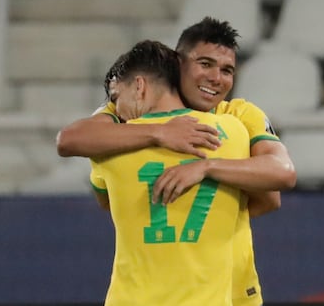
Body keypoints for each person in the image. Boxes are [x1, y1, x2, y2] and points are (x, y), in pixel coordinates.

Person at [57, 17, 296, 306]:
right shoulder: (231, 129)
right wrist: (159, 133)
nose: (216, 78)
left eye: (227, 70)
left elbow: (278, 181)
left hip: (233, 287)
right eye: (205, 64)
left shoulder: (240, 114)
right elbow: (70, 139)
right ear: (177, 63)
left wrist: (205, 168)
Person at [91, 39, 250, 305]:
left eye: (116, 98)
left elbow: (104, 201)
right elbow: (269, 195)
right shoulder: (233, 132)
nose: (116, 110)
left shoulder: (107, 148)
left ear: (139, 86)